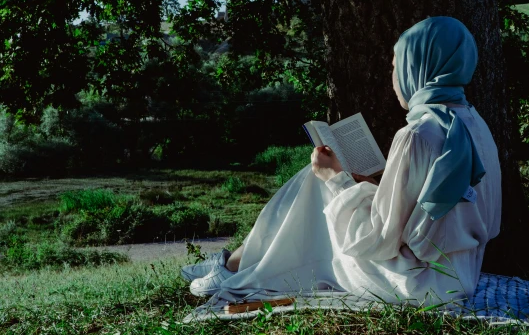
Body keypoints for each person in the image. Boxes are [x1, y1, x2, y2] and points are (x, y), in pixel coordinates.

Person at [181, 16, 502, 308]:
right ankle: (235, 264)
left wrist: (337, 180)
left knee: (316, 178)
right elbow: (455, 218)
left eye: (395, 66)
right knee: (330, 182)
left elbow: (377, 240)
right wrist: (366, 188)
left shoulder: (418, 134)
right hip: (462, 276)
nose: (393, 78)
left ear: (415, 66)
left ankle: (234, 268)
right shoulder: (474, 124)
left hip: (417, 284)